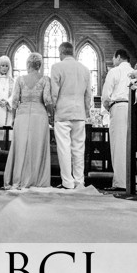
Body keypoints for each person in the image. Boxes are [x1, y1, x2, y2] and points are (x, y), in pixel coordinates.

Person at [3, 53, 53, 189]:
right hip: (39, 114)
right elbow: (47, 99)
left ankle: (18, 178)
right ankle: (37, 179)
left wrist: (14, 118)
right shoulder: (45, 79)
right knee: (37, 146)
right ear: (39, 65)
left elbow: (14, 101)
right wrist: (51, 115)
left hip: (22, 115)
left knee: (20, 146)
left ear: (28, 65)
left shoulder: (20, 79)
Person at [50, 42, 93, 189]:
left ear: (61, 52)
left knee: (64, 148)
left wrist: (52, 111)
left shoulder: (57, 67)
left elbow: (54, 93)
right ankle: (79, 181)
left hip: (62, 112)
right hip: (79, 113)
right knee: (79, 148)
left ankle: (67, 182)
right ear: (72, 52)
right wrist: (86, 111)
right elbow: (88, 94)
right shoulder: (84, 69)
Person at [101, 49, 133, 191]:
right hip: (133, 109)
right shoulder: (134, 71)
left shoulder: (115, 71)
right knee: (129, 146)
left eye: (114, 58)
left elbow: (106, 94)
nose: (113, 61)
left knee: (118, 146)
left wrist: (108, 107)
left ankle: (121, 183)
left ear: (118, 57)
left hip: (119, 107)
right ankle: (131, 181)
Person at [0, 56, 15, 128]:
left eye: (6, 66)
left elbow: (14, 94)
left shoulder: (12, 81)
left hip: (7, 107)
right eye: (2, 65)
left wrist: (8, 101)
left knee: (7, 129)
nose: (4, 68)